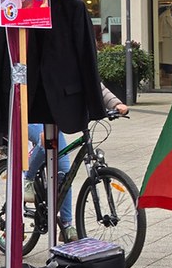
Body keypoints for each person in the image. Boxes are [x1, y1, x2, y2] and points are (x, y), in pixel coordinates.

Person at [23, 83, 128, 243]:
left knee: (64, 173)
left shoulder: (73, 62)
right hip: (31, 115)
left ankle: (67, 225)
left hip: (55, 121)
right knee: (45, 140)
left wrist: (115, 103)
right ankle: (28, 179)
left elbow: (93, 83)